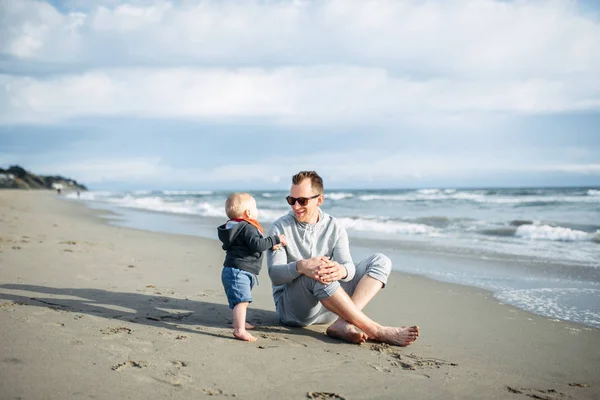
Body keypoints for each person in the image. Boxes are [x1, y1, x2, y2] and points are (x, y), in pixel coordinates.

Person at [267, 171, 420, 346]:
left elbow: (349, 266)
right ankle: (374, 329)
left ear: (319, 200)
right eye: (291, 200)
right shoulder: (279, 227)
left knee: (381, 260)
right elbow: (275, 274)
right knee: (317, 272)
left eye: (302, 201)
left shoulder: (334, 227)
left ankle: (343, 323)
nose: (295, 206)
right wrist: (301, 266)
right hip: (294, 311)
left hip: (331, 308)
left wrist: (342, 270)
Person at [217, 192, 287, 342]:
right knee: (242, 301)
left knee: (239, 301)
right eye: (255, 208)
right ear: (248, 213)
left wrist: (269, 246)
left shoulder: (234, 227)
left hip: (234, 270)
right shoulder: (247, 227)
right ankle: (239, 329)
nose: (257, 211)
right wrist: (275, 239)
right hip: (239, 271)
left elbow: (250, 246)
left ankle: (240, 323)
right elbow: (257, 244)